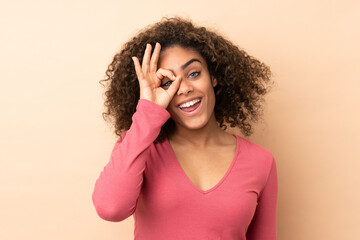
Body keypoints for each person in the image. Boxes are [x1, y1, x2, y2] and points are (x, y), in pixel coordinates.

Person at [92, 16, 278, 240]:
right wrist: (148, 110)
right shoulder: (141, 149)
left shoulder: (261, 161)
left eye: (194, 74)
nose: (184, 88)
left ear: (214, 77)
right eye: (168, 82)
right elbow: (110, 208)